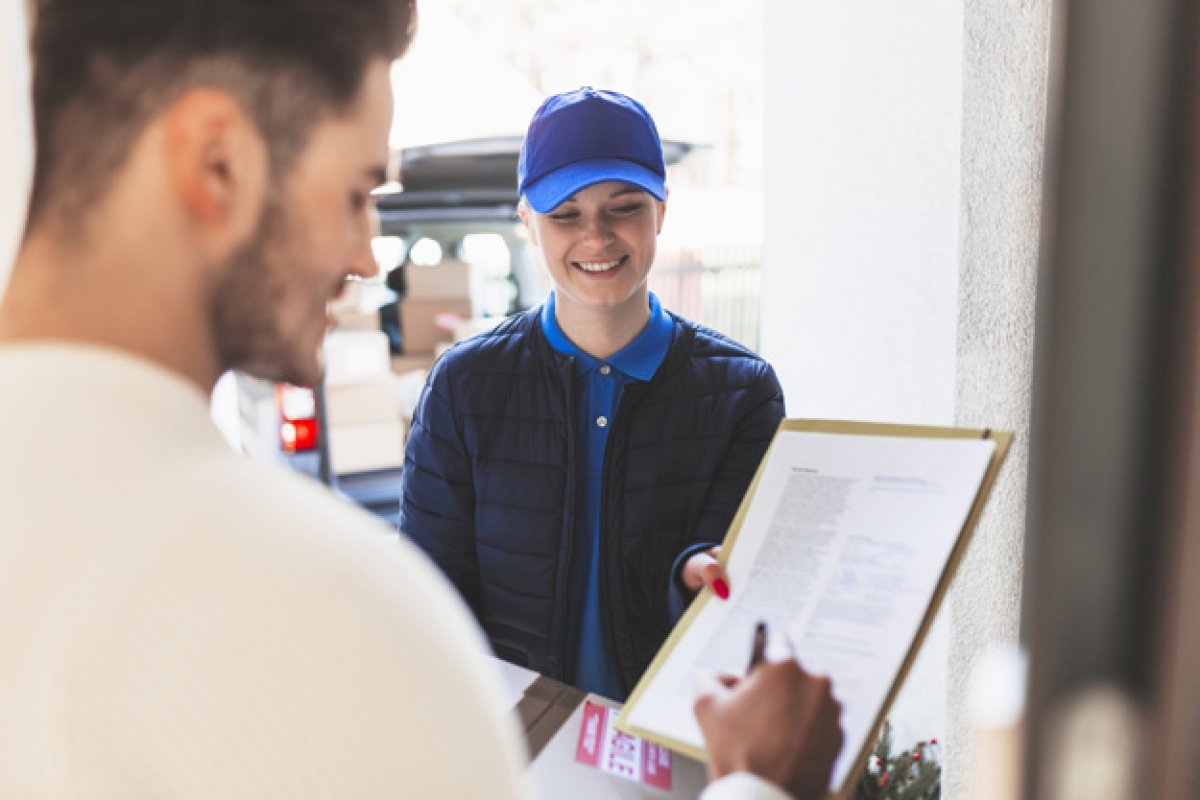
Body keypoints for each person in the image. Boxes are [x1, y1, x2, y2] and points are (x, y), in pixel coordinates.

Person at [0, 1, 840, 798]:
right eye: (357, 191)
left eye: (623, 209)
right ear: (218, 163)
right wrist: (759, 781)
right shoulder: (290, 600)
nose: (368, 255)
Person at [400, 87, 785, 701]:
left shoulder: (743, 392)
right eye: (566, 215)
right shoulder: (464, 387)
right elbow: (429, 599)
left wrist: (698, 579)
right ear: (527, 221)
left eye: (624, 207)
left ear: (661, 211)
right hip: (516, 751)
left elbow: (737, 594)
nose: (597, 236)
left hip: (673, 748)